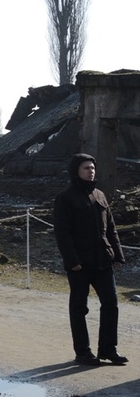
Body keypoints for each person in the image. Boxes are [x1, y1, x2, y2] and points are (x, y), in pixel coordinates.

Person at [54, 153, 128, 366]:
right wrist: (72, 260)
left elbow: (111, 229)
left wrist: (118, 255)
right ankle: (83, 352)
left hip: (103, 260)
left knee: (111, 304)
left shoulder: (100, 195)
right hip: (80, 263)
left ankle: (108, 349)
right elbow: (63, 233)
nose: (91, 171)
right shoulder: (65, 198)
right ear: (76, 171)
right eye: (86, 168)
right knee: (79, 308)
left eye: (93, 168)